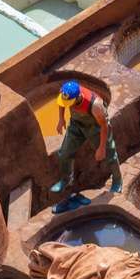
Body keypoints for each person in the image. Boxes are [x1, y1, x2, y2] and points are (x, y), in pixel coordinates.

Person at [47, 79, 122, 211]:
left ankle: (117, 180)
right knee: (64, 153)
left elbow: (104, 126)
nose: (69, 105)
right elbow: (61, 103)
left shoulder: (96, 106)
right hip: (76, 125)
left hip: (95, 128)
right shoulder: (67, 93)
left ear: (79, 97)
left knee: (109, 154)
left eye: (71, 103)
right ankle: (66, 180)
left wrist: (101, 147)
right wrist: (61, 119)